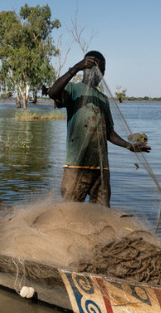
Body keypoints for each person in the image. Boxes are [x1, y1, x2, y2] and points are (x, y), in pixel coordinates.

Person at [48, 50, 150, 206]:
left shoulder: (103, 99)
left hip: (101, 169)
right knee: (69, 214)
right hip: (76, 167)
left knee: (102, 214)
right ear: (86, 69)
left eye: (102, 71)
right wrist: (75, 68)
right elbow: (52, 92)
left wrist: (129, 145)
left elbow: (108, 132)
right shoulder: (73, 90)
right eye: (96, 69)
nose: (99, 74)